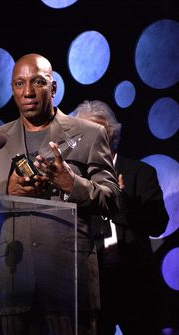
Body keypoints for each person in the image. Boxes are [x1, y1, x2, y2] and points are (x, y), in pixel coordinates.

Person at [0, 54, 120, 335]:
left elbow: (111, 198)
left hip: (68, 283)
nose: (28, 92)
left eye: (38, 82)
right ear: (12, 89)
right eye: (19, 83)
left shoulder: (89, 134)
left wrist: (71, 183)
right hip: (14, 283)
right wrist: (7, 190)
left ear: (53, 88)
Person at [73, 100, 169, 335]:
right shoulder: (74, 180)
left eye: (98, 130)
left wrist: (122, 203)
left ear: (112, 133)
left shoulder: (140, 173)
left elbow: (158, 224)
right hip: (92, 288)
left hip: (135, 285)